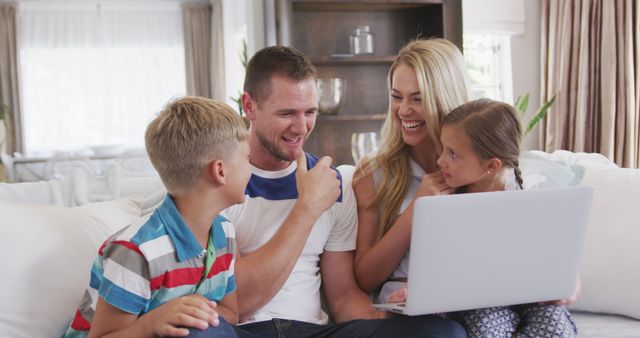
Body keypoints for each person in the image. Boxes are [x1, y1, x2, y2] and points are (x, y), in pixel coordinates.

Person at [222, 45, 466, 337]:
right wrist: (307, 208)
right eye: (287, 113)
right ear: (249, 106)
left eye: (310, 112)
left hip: (314, 331)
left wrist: (392, 320)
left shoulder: (333, 184)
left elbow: (343, 298)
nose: (301, 127)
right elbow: (238, 305)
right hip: (244, 331)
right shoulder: (220, 183)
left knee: (444, 333)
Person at [63, 97, 251, 338]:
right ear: (220, 171)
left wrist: (194, 317)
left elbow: (231, 313)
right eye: (247, 158)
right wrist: (154, 322)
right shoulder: (135, 252)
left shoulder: (225, 233)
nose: (251, 167)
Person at [434, 98, 578, 338]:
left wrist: (569, 288)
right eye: (443, 149)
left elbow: (563, 264)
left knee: (556, 328)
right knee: (486, 329)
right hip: (478, 302)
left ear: (491, 166)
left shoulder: (535, 195)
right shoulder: (444, 202)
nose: (440, 161)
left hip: (534, 298)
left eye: (453, 154)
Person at [353, 38, 469, 304]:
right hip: (412, 305)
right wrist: (417, 210)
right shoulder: (373, 172)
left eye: (418, 99)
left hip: (472, 299)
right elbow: (365, 277)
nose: (404, 110)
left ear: (446, 99)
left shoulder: (480, 166)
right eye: (396, 97)